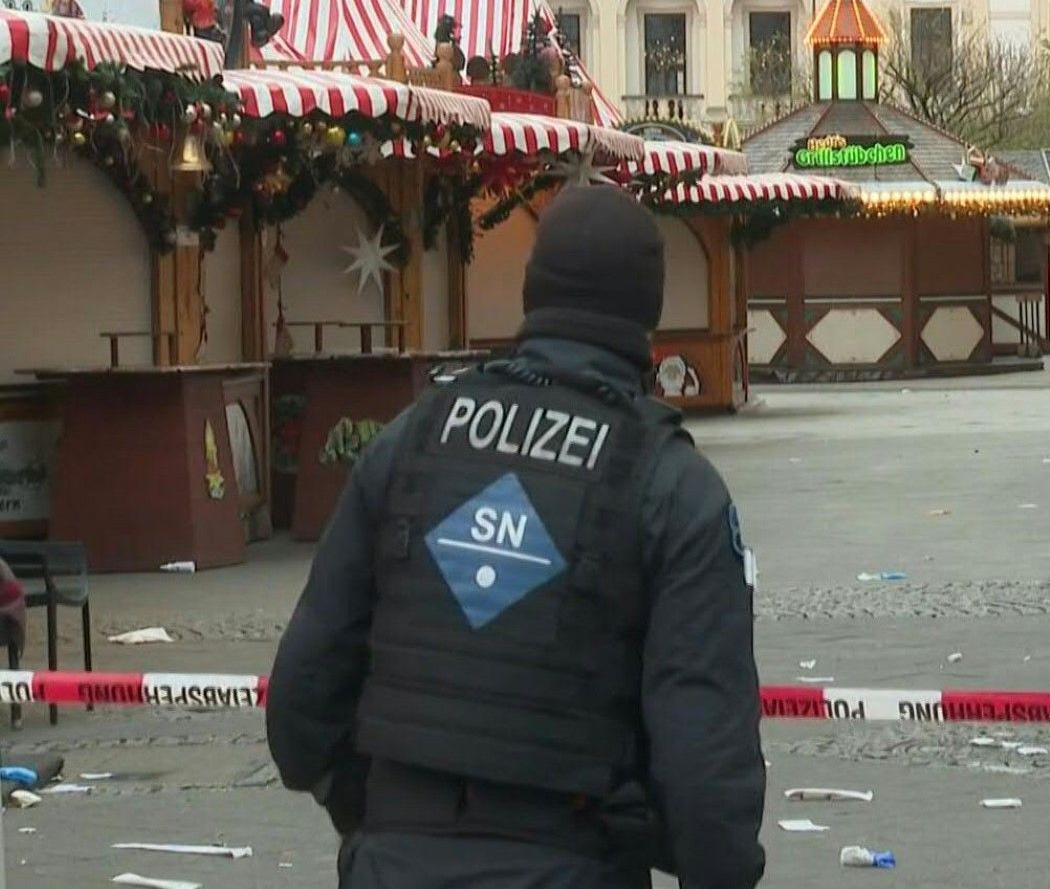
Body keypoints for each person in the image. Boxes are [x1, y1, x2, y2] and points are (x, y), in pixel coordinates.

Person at [265, 186, 767, 888]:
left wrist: (378, 810)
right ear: (648, 314)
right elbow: (704, 761)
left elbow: (301, 699)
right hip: (568, 855)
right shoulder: (671, 487)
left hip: (396, 854)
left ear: (533, 293)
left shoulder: (415, 440)